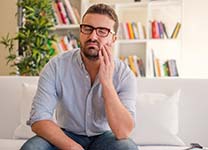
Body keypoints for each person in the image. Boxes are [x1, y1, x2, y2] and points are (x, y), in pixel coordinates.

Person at [21, 3, 138, 150]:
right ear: (80, 32)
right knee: (32, 148)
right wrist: (72, 147)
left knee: (127, 148)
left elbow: (123, 132)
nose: (93, 36)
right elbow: (39, 118)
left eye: (102, 31)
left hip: (104, 138)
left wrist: (107, 82)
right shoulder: (57, 66)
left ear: (113, 39)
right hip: (66, 135)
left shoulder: (124, 74)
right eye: (87, 29)